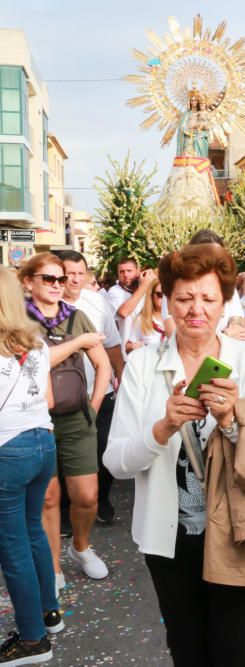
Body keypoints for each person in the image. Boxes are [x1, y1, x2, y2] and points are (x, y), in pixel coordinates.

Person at [104, 242, 245, 666]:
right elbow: (116, 463)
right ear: (167, 300)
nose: (196, 310)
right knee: (187, 649)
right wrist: (162, 428)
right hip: (169, 540)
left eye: (208, 298)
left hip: (240, 531)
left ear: (225, 302)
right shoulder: (143, 365)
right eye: (184, 298)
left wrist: (232, 420)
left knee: (240, 650)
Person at [21, 253, 113, 590]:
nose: (59, 285)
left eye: (61, 279)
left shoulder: (77, 317)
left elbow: (104, 364)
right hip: (35, 420)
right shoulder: (17, 321)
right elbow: (33, 362)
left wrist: (94, 404)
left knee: (87, 496)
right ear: (27, 281)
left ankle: (81, 547)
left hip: (77, 417)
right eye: (49, 279)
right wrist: (77, 343)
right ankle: (54, 567)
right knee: (48, 497)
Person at [0, 267, 63, 666]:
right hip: (42, 442)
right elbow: (48, 398)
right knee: (31, 530)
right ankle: (48, 612)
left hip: (8, 450)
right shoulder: (36, 341)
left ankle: (33, 640)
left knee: (13, 546)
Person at [57, 250, 125, 525]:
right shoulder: (47, 305)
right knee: (63, 459)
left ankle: (101, 499)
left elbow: (112, 345)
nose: (74, 279)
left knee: (104, 449)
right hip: (62, 396)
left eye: (80, 274)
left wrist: (122, 379)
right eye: (68, 273)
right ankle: (64, 512)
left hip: (101, 391)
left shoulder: (97, 302)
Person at [124, 278, 167, 353]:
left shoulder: (178, 318)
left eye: (167, 294)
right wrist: (133, 346)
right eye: (160, 294)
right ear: (151, 296)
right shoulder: (142, 319)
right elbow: (128, 347)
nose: (164, 298)